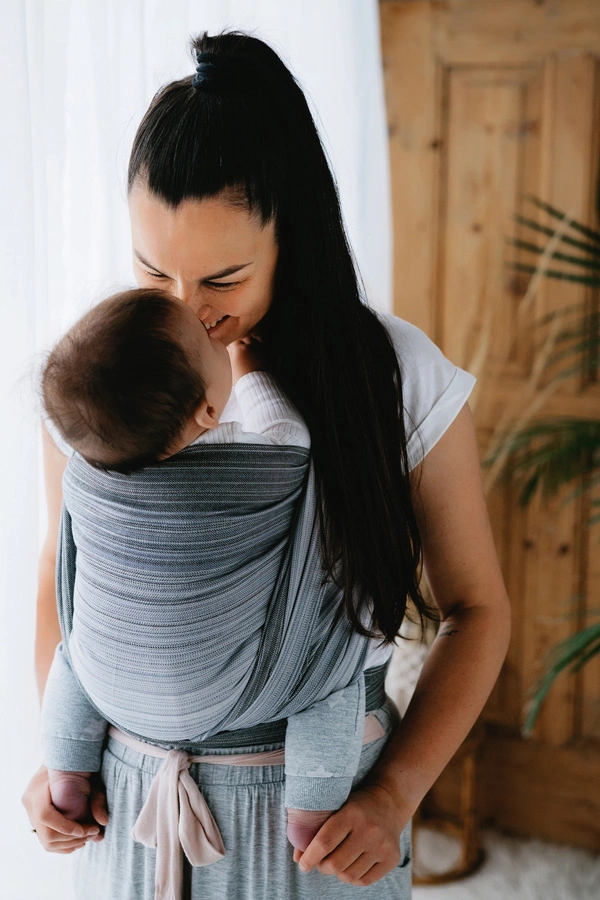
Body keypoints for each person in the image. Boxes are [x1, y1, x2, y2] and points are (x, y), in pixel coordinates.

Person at [22, 29, 511, 899]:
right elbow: (65, 583)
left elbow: (477, 610)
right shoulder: (104, 377)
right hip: (131, 805)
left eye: (223, 279)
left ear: (295, 237)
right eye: (152, 270)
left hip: (323, 813)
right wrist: (60, 761)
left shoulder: (395, 377)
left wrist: (396, 794)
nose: (187, 311)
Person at [39, 285, 379, 856]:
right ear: (208, 412)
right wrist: (251, 363)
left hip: (111, 685)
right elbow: (288, 432)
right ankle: (311, 809)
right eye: (207, 339)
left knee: (74, 657)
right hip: (243, 687)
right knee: (329, 677)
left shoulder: (86, 473)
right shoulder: (260, 463)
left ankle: (66, 774)